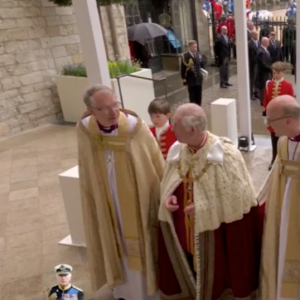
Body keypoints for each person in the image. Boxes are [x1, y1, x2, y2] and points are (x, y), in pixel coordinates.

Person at [158, 103, 265, 300]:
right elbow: (171, 181)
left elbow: (238, 198)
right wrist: (169, 196)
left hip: (216, 235)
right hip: (185, 230)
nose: (171, 129)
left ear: (192, 129)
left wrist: (206, 208)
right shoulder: (178, 149)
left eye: (176, 125)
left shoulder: (226, 154)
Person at [77, 85, 165, 300]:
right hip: (105, 197)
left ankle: (148, 292)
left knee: (139, 240)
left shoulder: (134, 126)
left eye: (115, 104)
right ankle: (122, 290)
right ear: (91, 110)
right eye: (105, 108)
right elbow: (86, 165)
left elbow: (154, 162)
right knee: (115, 239)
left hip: (135, 199)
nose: (113, 111)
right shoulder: (86, 130)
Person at [258, 95, 300, 300]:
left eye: (271, 121)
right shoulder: (283, 142)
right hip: (285, 212)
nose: (268, 127)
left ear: (288, 121)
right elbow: (273, 177)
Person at [262, 62, 294, 170]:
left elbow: (290, 103)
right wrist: (265, 116)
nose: (275, 75)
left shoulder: (288, 86)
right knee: (273, 140)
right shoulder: (269, 85)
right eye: (273, 73)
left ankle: (283, 160)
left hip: (283, 119)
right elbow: (265, 101)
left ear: (283, 73)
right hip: (272, 119)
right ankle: (274, 159)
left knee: (283, 141)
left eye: (277, 73)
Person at [181, 40, 207, 106]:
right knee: (192, 96)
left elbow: (202, 67)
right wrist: (184, 80)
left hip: (198, 79)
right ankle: (192, 109)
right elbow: (182, 70)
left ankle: (198, 108)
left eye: (196, 47)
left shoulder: (199, 54)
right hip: (190, 80)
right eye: (193, 47)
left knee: (199, 96)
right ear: (189, 47)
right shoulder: (185, 56)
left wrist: (204, 74)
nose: (195, 49)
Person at [256, 37, 272, 106]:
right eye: (268, 42)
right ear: (264, 42)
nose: (269, 43)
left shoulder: (265, 50)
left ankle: (266, 99)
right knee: (263, 87)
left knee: (266, 86)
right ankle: (262, 101)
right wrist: (271, 68)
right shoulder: (261, 51)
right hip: (263, 73)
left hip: (266, 72)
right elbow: (263, 64)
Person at [248, 30, 260, 100]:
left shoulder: (258, 42)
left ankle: (256, 92)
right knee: (252, 79)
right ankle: (251, 94)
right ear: (252, 35)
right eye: (255, 35)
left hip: (258, 64)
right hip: (252, 64)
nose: (256, 36)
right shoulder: (249, 43)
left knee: (257, 79)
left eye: (257, 35)